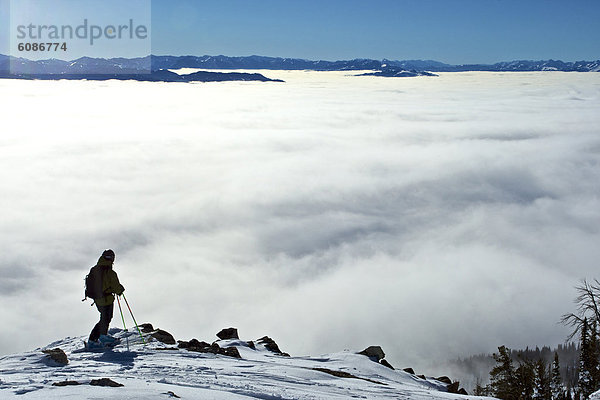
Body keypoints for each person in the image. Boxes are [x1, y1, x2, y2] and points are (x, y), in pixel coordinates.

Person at [88, 249, 125, 345]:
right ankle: (101, 337)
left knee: (104, 317)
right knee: (106, 317)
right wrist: (120, 290)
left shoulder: (95, 269)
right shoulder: (110, 272)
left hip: (97, 298)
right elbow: (115, 286)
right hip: (106, 299)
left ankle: (94, 339)